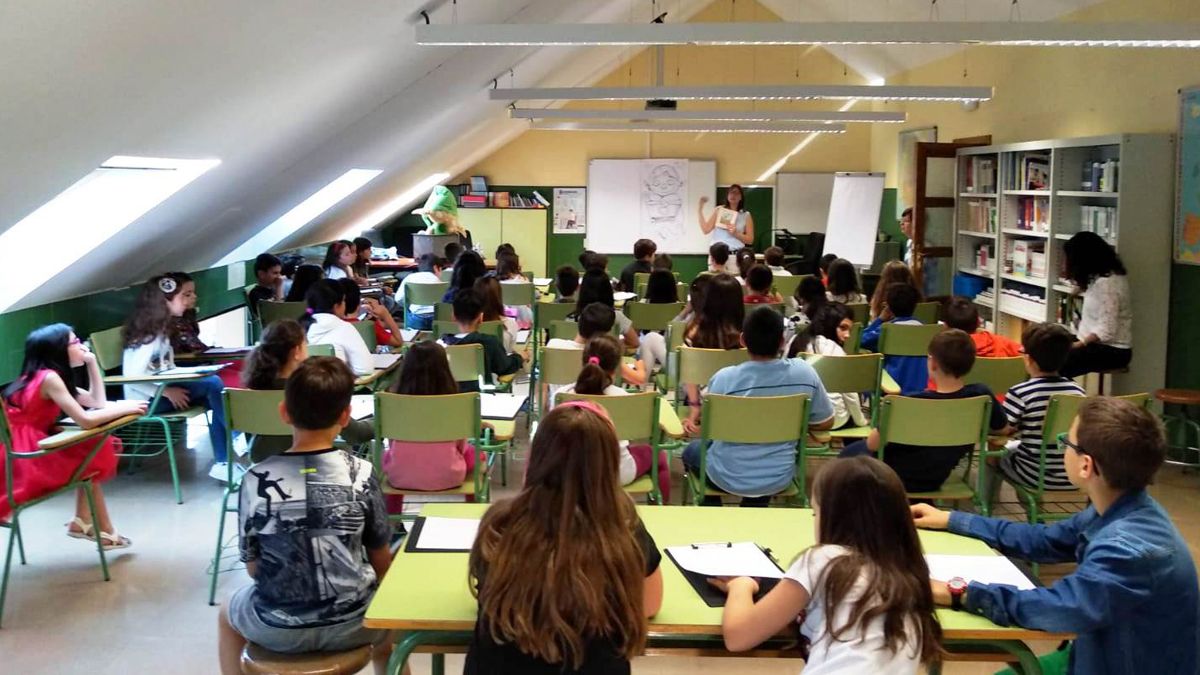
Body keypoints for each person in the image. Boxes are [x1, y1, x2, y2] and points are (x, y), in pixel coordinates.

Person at [911, 397, 1199, 675]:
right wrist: (953, 519)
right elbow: (1043, 540)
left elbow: (1057, 607)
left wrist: (961, 593)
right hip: (1098, 654)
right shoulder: (1121, 506)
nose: (1063, 447)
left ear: (1086, 465)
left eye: (1066, 441)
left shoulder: (1128, 550)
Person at [217, 357, 394, 675]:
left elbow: (254, 567)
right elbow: (381, 561)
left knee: (226, 614)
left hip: (277, 626)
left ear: (284, 412)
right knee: (391, 624)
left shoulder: (255, 478)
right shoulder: (362, 473)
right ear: (345, 416)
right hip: (354, 624)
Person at [465, 402, 663, 674]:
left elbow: (485, 590)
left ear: (537, 457)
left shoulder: (499, 525)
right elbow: (650, 605)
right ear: (608, 466)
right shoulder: (624, 530)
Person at [712, 456, 943, 672]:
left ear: (834, 516)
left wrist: (741, 586)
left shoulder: (824, 560)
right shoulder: (909, 574)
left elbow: (738, 636)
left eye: (815, 513)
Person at [1, 324, 146, 548]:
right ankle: (99, 528)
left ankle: (87, 523)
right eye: (76, 342)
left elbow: (97, 403)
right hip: (25, 453)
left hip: (24, 444)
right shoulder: (49, 378)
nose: (82, 346)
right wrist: (127, 408)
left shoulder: (40, 375)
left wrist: (91, 362)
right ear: (58, 349)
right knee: (93, 452)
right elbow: (85, 420)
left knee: (90, 449)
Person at [682, 307, 834, 502]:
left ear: (743, 340)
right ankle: (754, 507)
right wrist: (797, 423)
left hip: (725, 474)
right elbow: (827, 421)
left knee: (692, 451)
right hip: (779, 475)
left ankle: (712, 508)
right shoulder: (805, 373)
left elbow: (711, 430)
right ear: (782, 341)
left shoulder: (724, 379)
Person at [841, 329, 1007, 493]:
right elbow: (1001, 428)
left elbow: (874, 443)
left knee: (847, 457)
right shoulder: (981, 395)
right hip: (936, 478)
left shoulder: (908, 402)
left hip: (890, 477)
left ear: (933, 362)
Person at [122, 275, 231, 481]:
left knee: (215, 393)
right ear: (165, 302)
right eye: (184, 296)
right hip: (147, 400)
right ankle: (237, 437)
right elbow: (132, 377)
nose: (189, 300)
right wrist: (166, 391)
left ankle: (223, 463)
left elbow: (166, 368)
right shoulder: (148, 337)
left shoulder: (163, 330)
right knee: (214, 385)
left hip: (161, 392)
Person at [557, 334, 670, 501]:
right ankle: (662, 511)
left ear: (583, 361)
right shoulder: (622, 396)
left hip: (572, 474)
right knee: (657, 455)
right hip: (616, 473)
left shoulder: (562, 395)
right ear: (616, 367)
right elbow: (633, 435)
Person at [241, 319, 373, 460]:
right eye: (306, 344)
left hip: (261, 459)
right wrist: (380, 418)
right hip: (309, 462)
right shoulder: (310, 390)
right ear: (297, 351)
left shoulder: (249, 391)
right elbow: (357, 434)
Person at [995, 323, 1085, 492]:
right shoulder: (1078, 392)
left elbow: (1003, 429)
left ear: (1028, 359)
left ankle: (989, 505)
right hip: (1072, 474)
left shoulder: (1021, 392)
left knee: (994, 454)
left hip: (1035, 475)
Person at [382, 341, 482, 492]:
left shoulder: (391, 400)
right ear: (445, 368)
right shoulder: (457, 402)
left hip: (399, 476)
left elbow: (391, 442)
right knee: (477, 454)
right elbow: (461, 447)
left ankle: (393, 509)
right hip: (450, 476)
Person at [1059, 231, 1132, 377]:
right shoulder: (1102, 278)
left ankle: (1063, 397)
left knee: (1054, 364)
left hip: (1111, 350)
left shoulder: (1107, 284)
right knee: (1047, 348)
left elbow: (1107, 330)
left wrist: (1076, 346)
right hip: (1094, 344)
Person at [788, 303, 870, 430]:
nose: (848, 335)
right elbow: (850, 394)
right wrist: (861, 421)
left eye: (849, 329)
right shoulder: (834, 349)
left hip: (798, 418)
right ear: (830, 325)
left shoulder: (795, 341)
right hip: (833, 419)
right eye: (843, 328)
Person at [439, 289, 527, 392]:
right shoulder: (489, 342)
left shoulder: (440, 345)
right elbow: (504, 367)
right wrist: (519, 357)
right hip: (483, 397)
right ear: (481, 318)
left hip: (451, 398)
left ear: (453, 316)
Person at [861, 283, 927, 394]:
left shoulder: (885, 330)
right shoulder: (926, 329)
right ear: (915, 305)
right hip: (921, 389)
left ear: (889, 307)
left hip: (892, 389)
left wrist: (880, 319)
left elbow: (860, 340)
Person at [300, 279, 373, 377]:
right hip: (337, 388)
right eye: (343, 301)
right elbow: (364, 369)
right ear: (336, 306)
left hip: (301, 389)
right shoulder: (344, 328)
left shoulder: (298, 328)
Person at [574, 269, 638, 352]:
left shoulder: (572, 315)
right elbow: (635, 342)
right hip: (608, 360)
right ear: (608, 291)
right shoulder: (616, 316)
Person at [698, 184, 754, 272]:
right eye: (730, 193)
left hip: (734, 256)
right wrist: (700, 210)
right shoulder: (719, 210)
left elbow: (750, 240)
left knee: (734, 283)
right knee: (716, 283)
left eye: (736, 193)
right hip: (716, 256)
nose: (733, 195)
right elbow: (706, 230)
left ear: (741, 197)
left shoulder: (745, 215)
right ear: (727, 195)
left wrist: (736, 234)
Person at [941, 296, 1021, 357]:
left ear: (945, 326)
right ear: (978, 322)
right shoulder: (1001, 343)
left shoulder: (943, 352)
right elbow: (1027, 353)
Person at [337, 279, 403, 350]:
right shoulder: (369, 326)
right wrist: (385, 314)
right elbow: (398, 341)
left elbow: (382, 326)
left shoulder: (334, 324)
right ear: (359, 300)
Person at [415, 184, 473, 250]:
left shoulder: (453, 229)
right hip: (437, 252)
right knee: (421, 233)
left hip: (451, 253)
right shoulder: (434, 228)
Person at [474, 277, 519, 353]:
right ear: (499, 297)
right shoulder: (510, 325)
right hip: (502, 363)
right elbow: (508, 352)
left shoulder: (468, 326)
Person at [398, 253, 442, 330]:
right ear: (435, 268)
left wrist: (409, 305)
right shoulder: (441, 283)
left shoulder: (410, 278)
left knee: (408, 311)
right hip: (437, 321)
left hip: (416, 321)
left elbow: (398, 299)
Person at [246, 253, 283, 318]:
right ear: (261, 274)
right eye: (275, 273)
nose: (279, 276)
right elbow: (278, 313)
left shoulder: (272, 290)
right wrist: (278, 287)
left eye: (279, 273)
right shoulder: (255, 294)